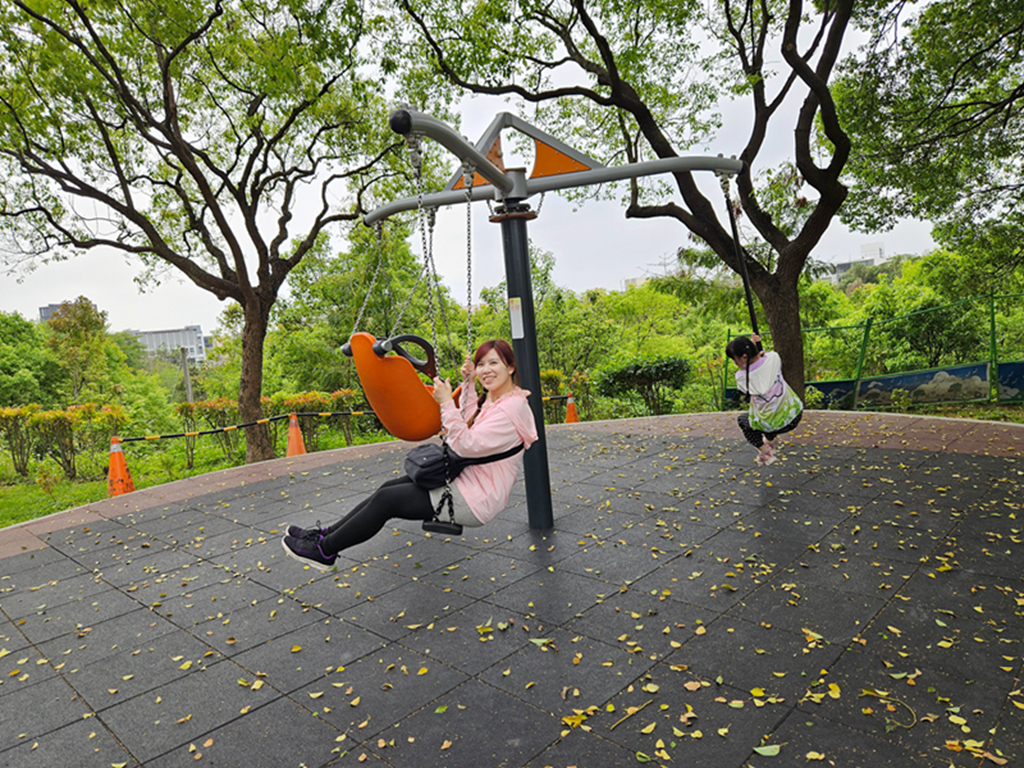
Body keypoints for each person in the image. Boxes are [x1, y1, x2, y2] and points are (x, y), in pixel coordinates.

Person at [281, 339, 539, 571]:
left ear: (510, 367)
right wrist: (469, 383)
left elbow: (464, 445)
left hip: (476, 497)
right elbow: (471, 415)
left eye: (494, 363)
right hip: (466, 480)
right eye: (481, 364)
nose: (486, 370)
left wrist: (446, 402)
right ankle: (324, 536)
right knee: (387, 488)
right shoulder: (498, 399)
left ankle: (324, 551)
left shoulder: (510, 409)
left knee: (388, 501)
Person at [725, 333, 803, 466]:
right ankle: (769, 442)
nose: (734, 362)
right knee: (771, 416)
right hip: (794, 414)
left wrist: (754, 355)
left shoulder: (742, 378)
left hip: (770, 424)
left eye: (734, 358)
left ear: (744, 357)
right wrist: (756, 350)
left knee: (744, 421)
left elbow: (753, 371)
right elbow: (763, 361)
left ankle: (765, 451)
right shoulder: (774, 358)